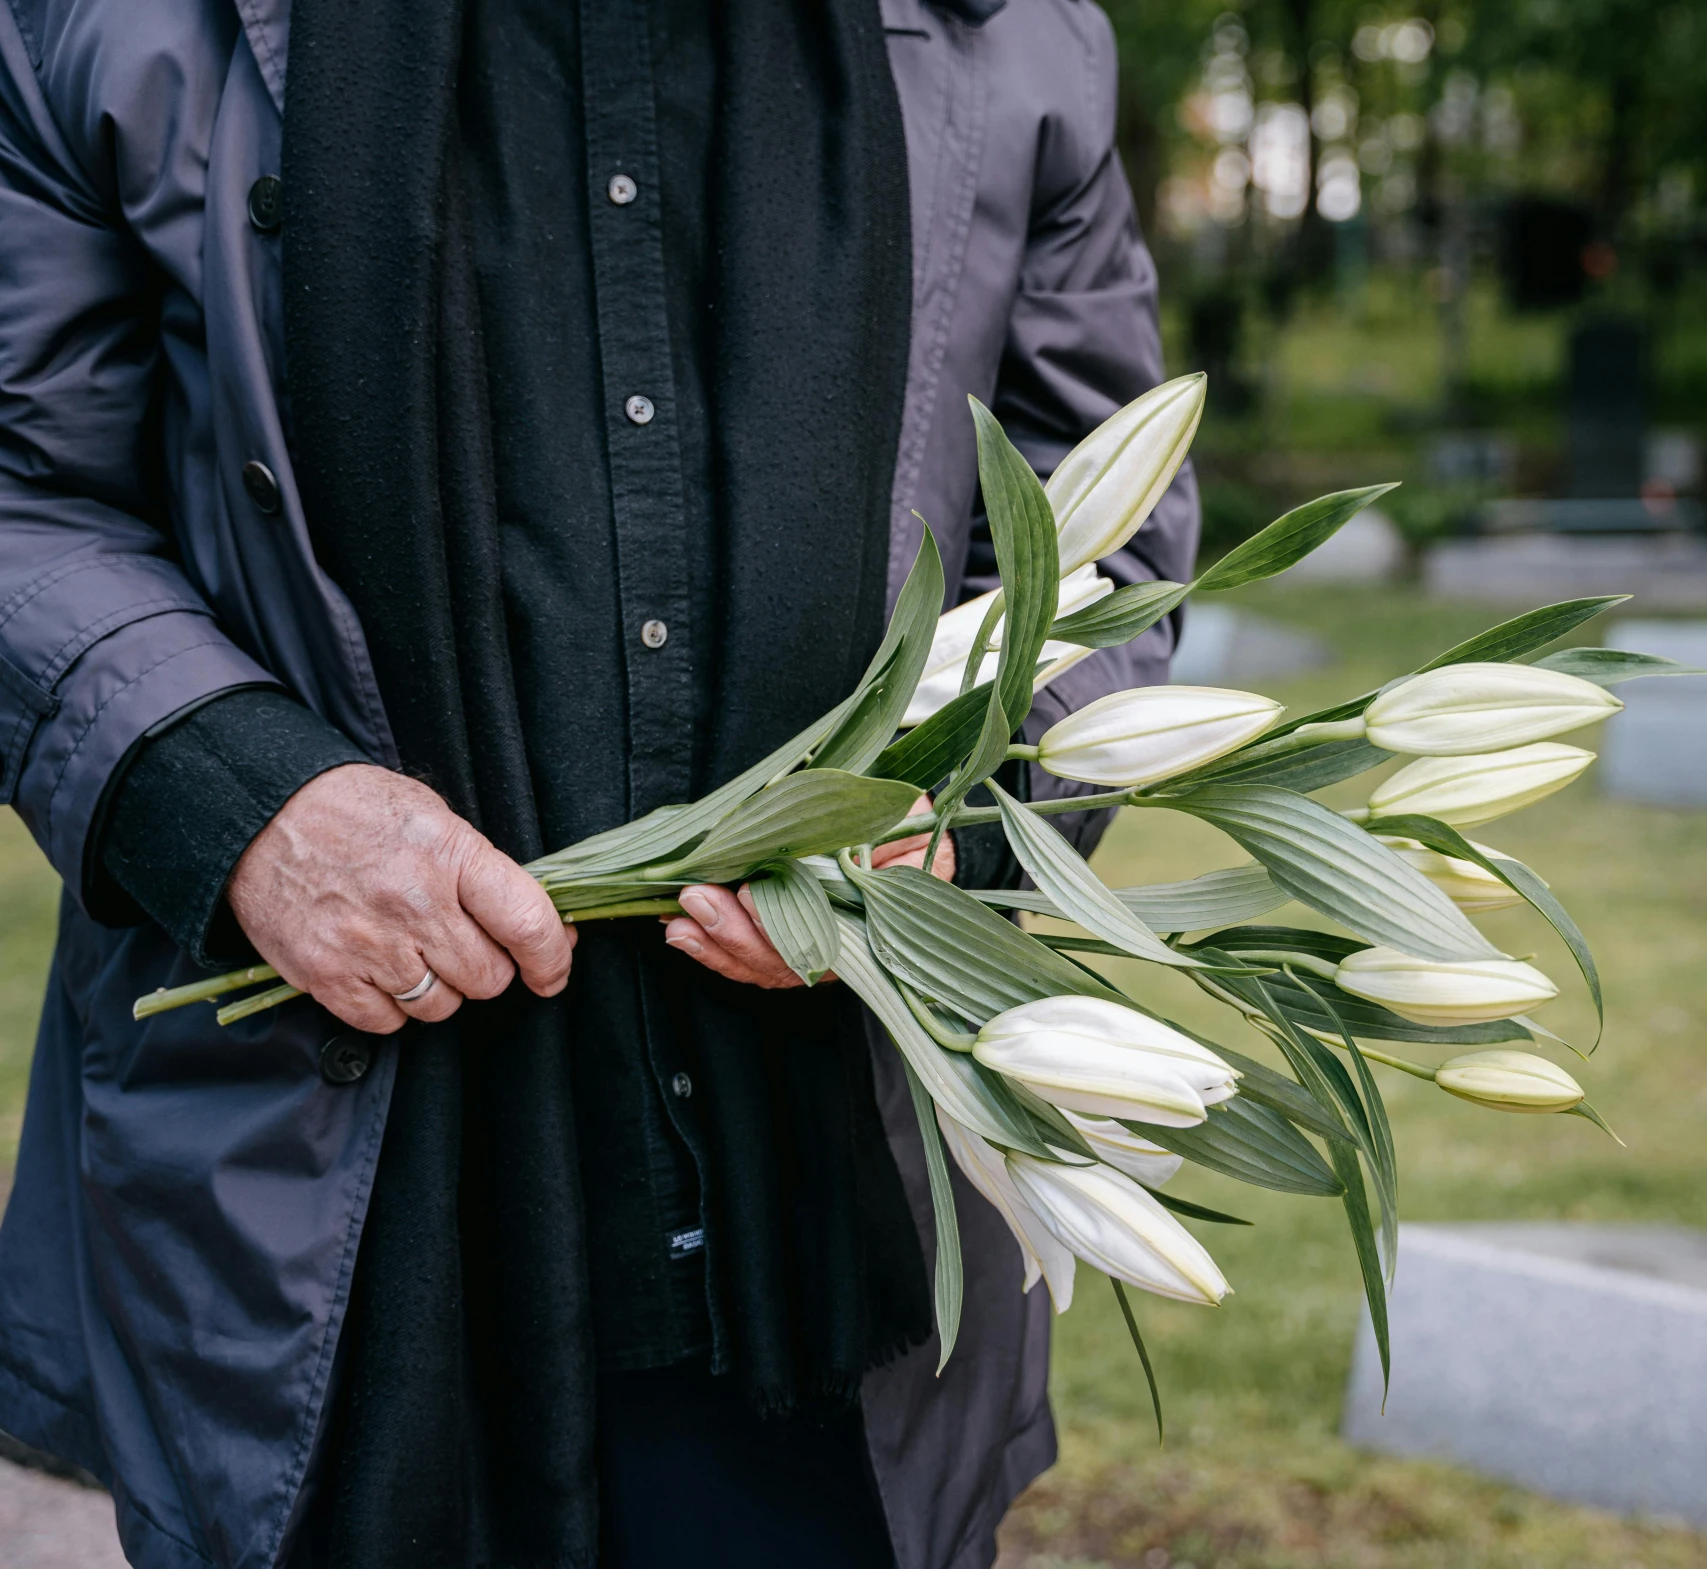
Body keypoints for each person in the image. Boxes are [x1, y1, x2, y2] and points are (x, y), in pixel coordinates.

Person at [0, 0, 1197, 1563]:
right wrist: (242, 806)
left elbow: (1093, 532)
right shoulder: (108, 20)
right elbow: (27, 493)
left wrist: (948, 806)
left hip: (819, 1219)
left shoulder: (1011, 34)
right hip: (329, 1213)